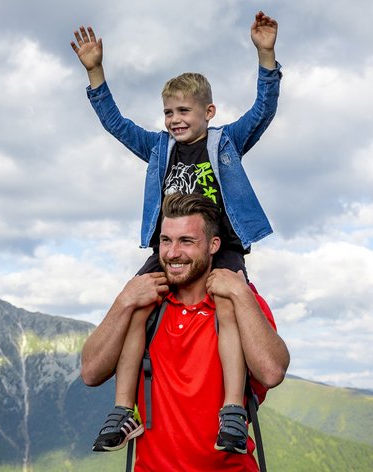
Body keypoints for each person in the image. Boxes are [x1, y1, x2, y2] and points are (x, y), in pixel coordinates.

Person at [71, 10, 283, 454]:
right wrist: (96, 73)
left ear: (208, 111)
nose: (173, 119)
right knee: (137, 301)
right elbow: (117, 124)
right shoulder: (157, 149)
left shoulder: (224, 142)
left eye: (183, 110)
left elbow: (261, 114)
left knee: (227, 302)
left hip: (220, 247)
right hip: (169, 249)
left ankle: (231, 409)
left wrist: (266, 57)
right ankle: (124, 408)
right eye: (168, 111)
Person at [82, 193, 290, 470]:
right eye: (166, 240)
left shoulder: (240, 301)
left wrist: (240, 292)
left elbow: (272, 372)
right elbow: (91, 372)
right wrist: (123, 301)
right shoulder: (146, 303)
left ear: (214, 245)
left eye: (187, 241)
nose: (172, 253)